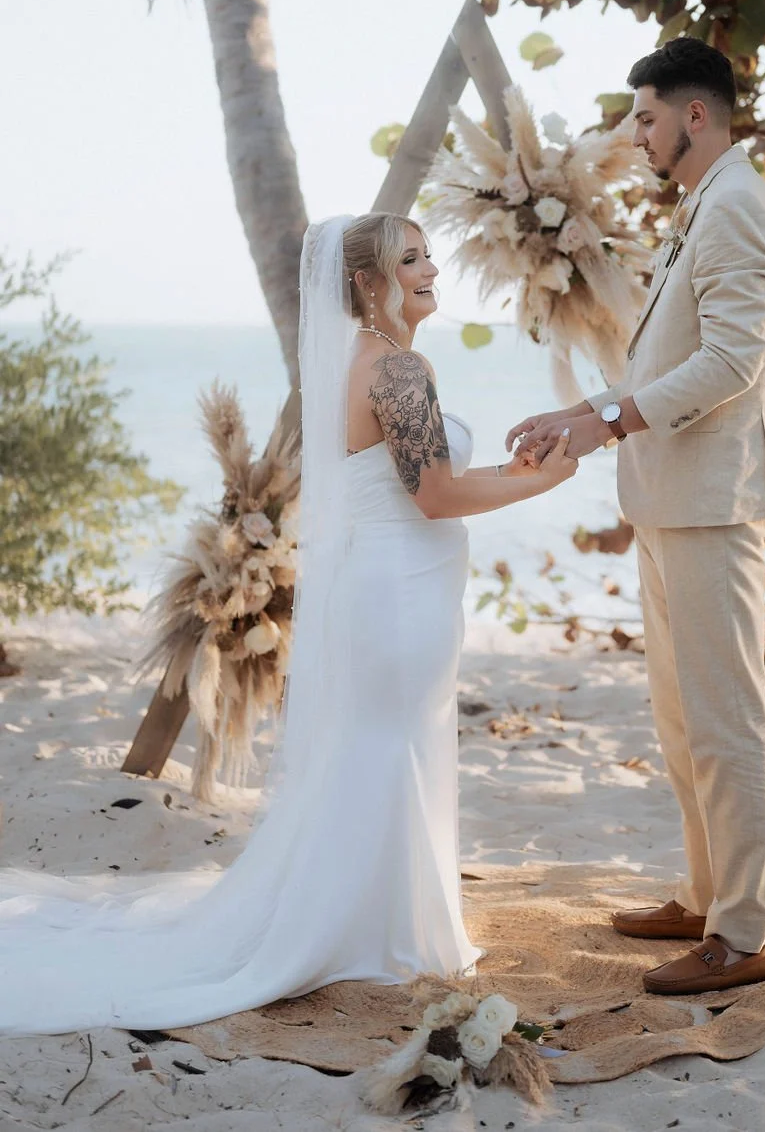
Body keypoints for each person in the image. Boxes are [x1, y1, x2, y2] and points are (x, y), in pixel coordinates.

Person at [0, 212, 575, 1035]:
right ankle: (384, 935)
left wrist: (510, 471)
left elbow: (418, 480)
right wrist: (538, 485)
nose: (430, 268)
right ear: (367, 284)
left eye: (426, 254)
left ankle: (378, 922)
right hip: (400, 596)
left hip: (390, 586)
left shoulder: (359, 364)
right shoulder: (400, 370)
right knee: (393, 748)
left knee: (384, 748)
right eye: (409, 259)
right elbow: (436, 494)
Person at [507, 37, 765, 997]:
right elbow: (669, 355)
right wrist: (586, 412)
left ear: (695, 114)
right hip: (673, 500)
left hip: (716, 503)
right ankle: (707, 897)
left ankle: (744, 932)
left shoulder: (741, 208)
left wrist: (607, 419)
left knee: (725, 720)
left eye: (644, 117)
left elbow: (731, 362)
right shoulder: (701, 207)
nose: (637, 134)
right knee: (681, 720)